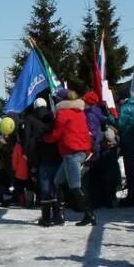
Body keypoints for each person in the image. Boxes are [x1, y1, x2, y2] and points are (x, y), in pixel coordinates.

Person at [44, 92, 95, 227]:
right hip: (81, 150)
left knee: (75, 186)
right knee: (58, 181)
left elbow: (56, 134)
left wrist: (44, 138)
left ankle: (89, 214)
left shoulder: (63, 113)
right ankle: (60, 215)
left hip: (71, 152)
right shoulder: (79, 111)